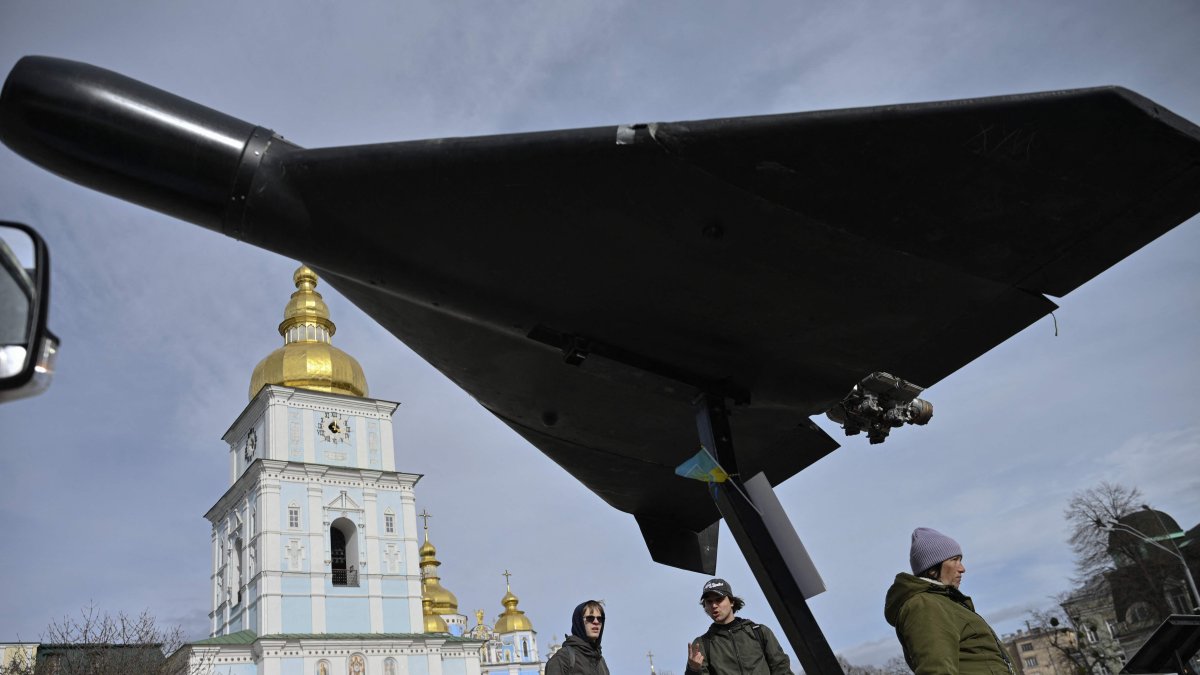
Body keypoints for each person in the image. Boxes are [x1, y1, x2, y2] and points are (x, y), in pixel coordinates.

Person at [884, 528, 1014, 675]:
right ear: (932, 567)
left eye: (961, 560)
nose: (962, 568)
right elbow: (936, 670)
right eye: (954, 560)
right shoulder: (924, 604)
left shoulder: (945, 602)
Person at [685, 578, 792, 675]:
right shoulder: (702, 644)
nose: (714, 605)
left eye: (719, 599)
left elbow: (782, 669)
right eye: (709, 601)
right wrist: (693, 670)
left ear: (731, 602)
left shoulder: (760, 632)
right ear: (705, 606)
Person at [545, 600, 610, 675]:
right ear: (579, 622)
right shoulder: (562, 658)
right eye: (590, 618)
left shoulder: (601, 662)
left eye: (600, 619)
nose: (596, 622)